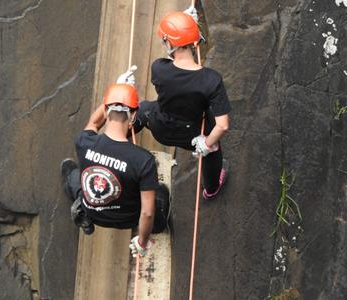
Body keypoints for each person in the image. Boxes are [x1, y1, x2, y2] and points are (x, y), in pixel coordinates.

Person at [131, 8, 232, 200]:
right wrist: (207, 143)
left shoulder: (159, 68)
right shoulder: (211, 80)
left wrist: (186, 26)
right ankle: (211, 189)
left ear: (169, 43)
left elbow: (174, 65)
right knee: (213, 152)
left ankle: (126, 129)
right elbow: (223, 125)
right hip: (191, 134)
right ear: (195, 42)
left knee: (143, 108)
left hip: (160, 127)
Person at [60, 82, 169, 257]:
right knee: (159, 198)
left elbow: (94, 123)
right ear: (133, 116)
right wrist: (142, 242)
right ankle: (160, 226)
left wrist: (114, 94)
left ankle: (83, 213)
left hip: (93, 210)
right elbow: (147, 213)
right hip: (128, 217)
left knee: (74, 175)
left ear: (105, 111)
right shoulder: (143, 160)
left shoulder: (84, 142)